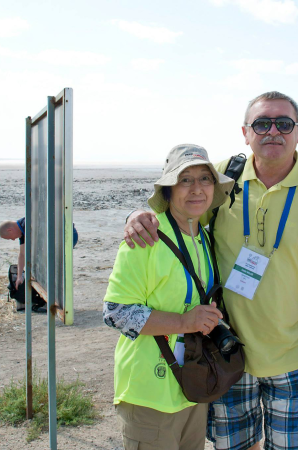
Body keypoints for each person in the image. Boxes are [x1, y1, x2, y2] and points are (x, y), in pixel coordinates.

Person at [124, 91, 298, 450]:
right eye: (262, 123)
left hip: (289, 355)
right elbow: (177, 211)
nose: (273, 131)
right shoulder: (221, 178)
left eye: (284, 123)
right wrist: (138, 215)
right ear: (245, 133)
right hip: (225, 352)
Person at [103, 144, 235, 450]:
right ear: (168, 189)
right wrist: (184, 322)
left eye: (205, 178)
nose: (196, 188)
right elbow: (116, 313)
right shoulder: (145, 237)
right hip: (149, 394)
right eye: (184, 180)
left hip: (192, 386)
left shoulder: (203, 237)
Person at [0, 218, 79, 311]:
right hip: (56, 238)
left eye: (10, 238)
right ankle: (48, 300)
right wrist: (19, 276)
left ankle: (52, 303)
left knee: (52, 269)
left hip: (66, 235)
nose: (13, 239)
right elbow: (22, 254)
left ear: (10, 230)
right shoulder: (23, 229)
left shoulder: (28, 223)